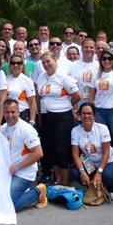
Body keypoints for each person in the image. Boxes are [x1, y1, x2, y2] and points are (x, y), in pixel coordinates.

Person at [36, 52, 81, 185]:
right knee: (50, 148)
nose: (46, 65)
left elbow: (77, 95)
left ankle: (65, 182)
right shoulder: (41, 77)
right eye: (43, 63)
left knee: (60, 149)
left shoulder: (63, 77)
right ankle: (58, 179)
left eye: (48, 61)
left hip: (62, 117)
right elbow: (39, 98)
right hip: (46, 117)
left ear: (55, 60)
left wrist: (67, 106)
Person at [0, 99, 47, 212]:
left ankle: (38, 191)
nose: (10, 115)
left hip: (24, 173)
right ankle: (21, 191)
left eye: (13, 112)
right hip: (9, 172)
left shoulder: (27, 130)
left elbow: (39, 153)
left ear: (18, 112)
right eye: (7, 112)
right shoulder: (2, 129)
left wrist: (19, 166)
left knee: (10, 205)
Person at [88, 47, 113, 184]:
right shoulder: (96, 75)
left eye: (110, 58)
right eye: (104, 58)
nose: (107, 61)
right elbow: (91, 94)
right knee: (102, 142)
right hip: (99, 111)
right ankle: (103, 170)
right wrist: (91, 111)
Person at [71, 102, 113, 200]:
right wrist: (82, 172)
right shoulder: (75, 131)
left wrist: (99, 172)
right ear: (79, 115)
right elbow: (75, 154)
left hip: (107, 161)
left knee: (108, 175)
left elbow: (106, 152)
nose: (86, 116)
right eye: (83, 113)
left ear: (94, 116)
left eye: (89, 113)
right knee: (75, 172)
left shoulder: (102, 128)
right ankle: (93, 186)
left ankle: (111, 189)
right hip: (90, 163)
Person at [5, 54, 37, 123]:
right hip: (9, 114)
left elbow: (32, 102)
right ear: (10, 65)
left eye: (19, 63)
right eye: (13, 63)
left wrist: (32, 120)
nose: (15, 65)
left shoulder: (27, 80)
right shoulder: (6, 78)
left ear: (22, 65)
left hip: (22, 114)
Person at [70, 38, 99, 106]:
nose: (89, 49)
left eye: (91, 47)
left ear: (94, 50)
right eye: (86, 47)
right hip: (79, 103)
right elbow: (71, 88)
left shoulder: (99, 66)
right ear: (81, 49)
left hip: (97, 104)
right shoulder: (74, 65)